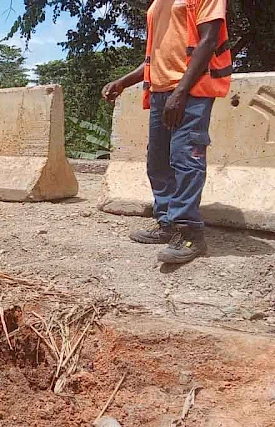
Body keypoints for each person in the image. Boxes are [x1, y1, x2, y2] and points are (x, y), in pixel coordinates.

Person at [102, 0, 232, 264]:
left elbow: (208, 41)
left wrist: (181, 92)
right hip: (161, 92)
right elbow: (157, 56)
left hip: (191, 90)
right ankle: (167, 225)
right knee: (158, 161)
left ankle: (190, 233)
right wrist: (123, 82)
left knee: (186, 158)